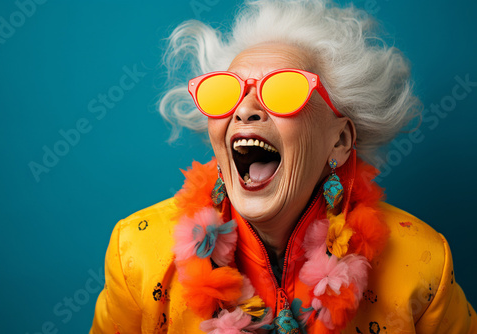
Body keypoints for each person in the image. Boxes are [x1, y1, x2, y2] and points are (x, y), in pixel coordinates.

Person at [90, 0, 476, 333]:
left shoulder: (424, 264)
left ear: (339, 141)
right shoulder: (136, 254)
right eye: (228, 90)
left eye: (284, 89)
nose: (245, 109)